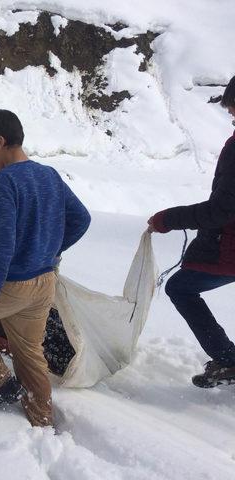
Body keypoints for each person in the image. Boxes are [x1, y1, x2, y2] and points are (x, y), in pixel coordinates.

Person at [0, 110, 90, 427]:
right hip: (45, 280)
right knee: (29, 351)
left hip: (13, 282)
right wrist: (50, 249)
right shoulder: (49, 174)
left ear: (0, 141)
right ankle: (41, 419)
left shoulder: (5, 181)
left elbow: (2, 244)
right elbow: (81, 219)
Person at [148, 76, 235, 388]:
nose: (232, 116)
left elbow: (220, 210)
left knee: (181, 288)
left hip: (228, 248)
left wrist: (168, 219)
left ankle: (228, 360)